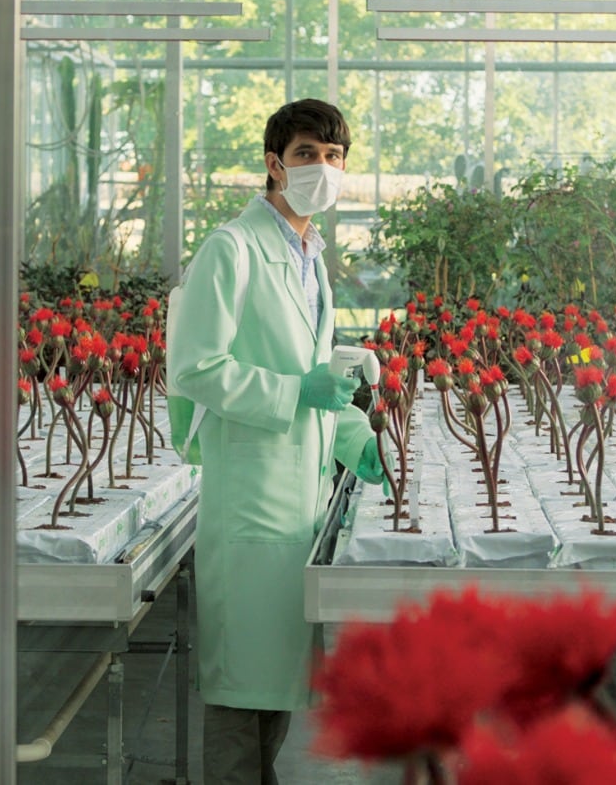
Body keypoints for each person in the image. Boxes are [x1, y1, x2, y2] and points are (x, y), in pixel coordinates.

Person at [169, 98, 387, 784]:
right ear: (273, 163)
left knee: (277, 689)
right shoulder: (230, 249)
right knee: (240, 690)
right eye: (306, 156)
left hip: (298, 504)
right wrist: (300, 393)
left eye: (334, 158)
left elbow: (312, 373)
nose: (322, 169)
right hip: (250, 500)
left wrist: (358, 435)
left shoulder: (309, 256)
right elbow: (197, 366)